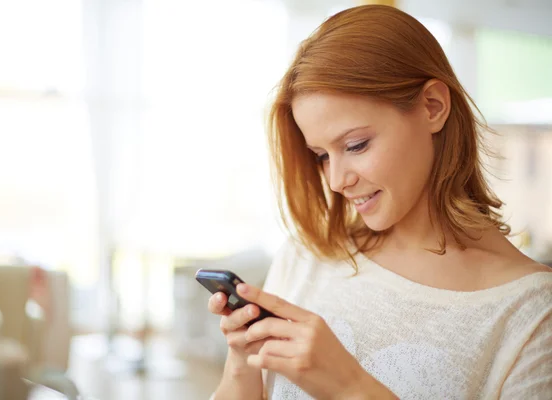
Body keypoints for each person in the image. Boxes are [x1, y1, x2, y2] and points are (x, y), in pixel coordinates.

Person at [207, 5, 552, 399]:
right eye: (321, 155)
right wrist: (241, 363)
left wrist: (351, 388)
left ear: (433, 107)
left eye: (355, 145)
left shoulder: (531, 312)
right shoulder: (307, 258)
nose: (336, 181)